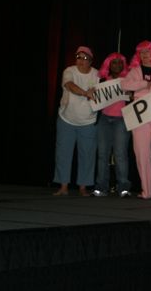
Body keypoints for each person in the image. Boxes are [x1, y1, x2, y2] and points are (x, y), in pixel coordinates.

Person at [121, 40, 151, 200]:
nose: (144, 55)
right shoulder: (134, 71)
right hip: (140, 115)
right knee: (142, 153)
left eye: (147, 51)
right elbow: (124, 85)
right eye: (141, 52)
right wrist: (144, 84)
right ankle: (146, 191)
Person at [53, 46, 99, 196]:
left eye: (84, 58)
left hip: (88, 121)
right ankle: (63, 186)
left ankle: (83, 187)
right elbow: (69, 85)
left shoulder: (96, 74)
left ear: (91, 61)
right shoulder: (69, 71)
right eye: (78, 57)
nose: (80, 60)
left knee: (87, 155)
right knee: (63, 153)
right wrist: (85, 93)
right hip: (67, 119)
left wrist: (92, 92)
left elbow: (98, 92)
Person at [92, 52, 132, 198]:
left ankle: (123, 187)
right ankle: (101, 187)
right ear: (108, 64)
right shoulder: (102, 80)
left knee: (120, 154)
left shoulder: (128, 80)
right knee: (103, 154)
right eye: (114, 62)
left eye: (120, 62)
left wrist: (131, 94)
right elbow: (94, 97)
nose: (117, 65)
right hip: (104, 119)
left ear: (124, 65)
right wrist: (92, 92)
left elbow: (135, 97)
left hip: (121, 119)